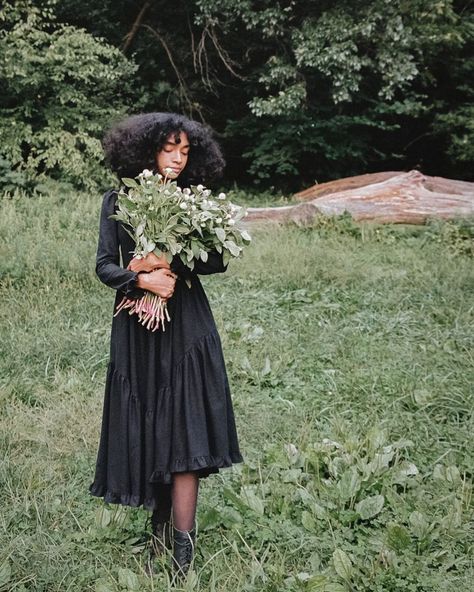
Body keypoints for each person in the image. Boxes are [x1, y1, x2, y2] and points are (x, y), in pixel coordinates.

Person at [89, 112, 243, 577]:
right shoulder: (117, 200)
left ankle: (183, 557)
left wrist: (175, 261)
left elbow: (217, 262)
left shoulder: (193, 202)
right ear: (146, 150)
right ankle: (158, 528)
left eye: (184, 150)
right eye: (168, 149)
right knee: (150, 420)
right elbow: (102, 266)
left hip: (186, 328)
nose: (176, 159)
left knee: (184, 426)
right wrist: (142, 278)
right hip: (136, 329)